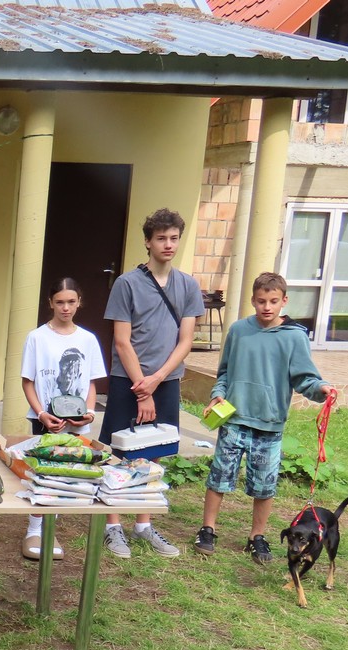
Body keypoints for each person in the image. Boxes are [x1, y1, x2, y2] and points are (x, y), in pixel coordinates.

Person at [194, 272, 337, 563]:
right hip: (233, 419)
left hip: (269, 425)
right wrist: (218, 393)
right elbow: (224, 373)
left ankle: (256, 537)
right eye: (261, 301)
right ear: (253, 300)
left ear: (284, 300)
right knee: (219, 478)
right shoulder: (238, 330)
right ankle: (207, 529)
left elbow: (304, 378)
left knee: (264, 485)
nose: (267, 307)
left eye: (273, 301)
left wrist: (321, 389)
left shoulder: (294, 336)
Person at [98, 208, 204, 559]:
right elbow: (122, 341)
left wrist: (157, 379)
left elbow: (185, 341)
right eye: (161, 238)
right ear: (147, 242)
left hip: (166, 380)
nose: (168, 244)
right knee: (119, 451)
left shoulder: (188, 285)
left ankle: (143, 524)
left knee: (156, 449)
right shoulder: (126, 284)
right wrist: (142, 387)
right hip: (127, 379)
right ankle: (112, 525)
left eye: (174, 238)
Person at [19, 277, 107, 561]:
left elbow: (91, 382)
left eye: (71, 302)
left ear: (79, 302)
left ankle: (50, 527)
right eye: (60, 302)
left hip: (77, 421)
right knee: (44, 471)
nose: (65, 308)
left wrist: (89, 412)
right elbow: (28, 381)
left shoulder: (88, 339)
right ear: (50, 303)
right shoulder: (37, 337)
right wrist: (41, 413)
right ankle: (34, 528)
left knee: (67, 474)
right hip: (45, 418)